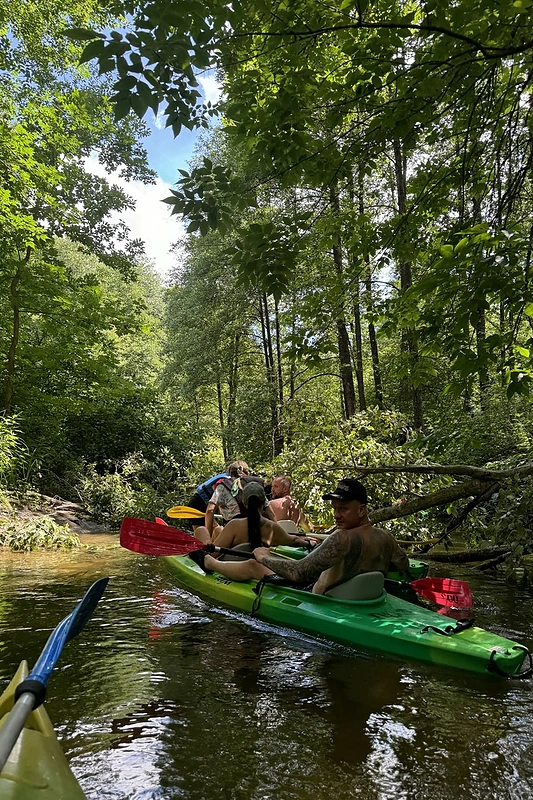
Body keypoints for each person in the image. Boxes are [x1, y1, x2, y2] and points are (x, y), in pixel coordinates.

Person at [192, 478, 410, 594]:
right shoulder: (386, 537)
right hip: (359, 596)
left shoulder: (341, 538)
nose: (336, 515)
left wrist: (263, 556)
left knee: (257, 565)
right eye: (334, 508)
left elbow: (297, 573)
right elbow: (403, 564)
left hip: (318, 593)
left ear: (362, 510)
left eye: (343, 509)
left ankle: (209, 563)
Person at [189, 482, 310, 564]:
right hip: (253, 566)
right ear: (263, 504)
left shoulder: (234, 526)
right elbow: (293, 540)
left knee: (201, 530)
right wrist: (310, 543)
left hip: (230, 566)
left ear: (245, 504)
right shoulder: (272, 528)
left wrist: (207, 543)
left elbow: (213, 554)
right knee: (216, 531)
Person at [203, 460, 275, 538]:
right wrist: (276, 530)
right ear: (247, 472)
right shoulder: (255, 485)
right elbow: (269, 511)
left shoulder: (223, 487)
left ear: (230, 473)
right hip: (259, 532)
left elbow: (210, 510)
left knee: (210, 531)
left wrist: (209, 535)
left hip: (235, 534)